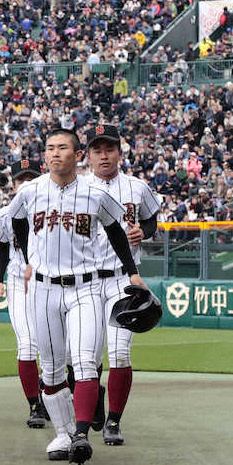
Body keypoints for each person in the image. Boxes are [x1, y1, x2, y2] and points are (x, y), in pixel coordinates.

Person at [7, 128, 145, 465]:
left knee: (84, 362)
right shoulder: (30, 191)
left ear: (77, 154)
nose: (56, 154)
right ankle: (64, 432)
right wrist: (27, 260)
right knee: (52, 370)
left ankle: (82, 434)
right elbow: (17, 221)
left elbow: (115, 230)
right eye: (50, 148)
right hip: (42, 288)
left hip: (86, 287)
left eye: (63, 148)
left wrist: (132, 271)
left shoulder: (95, 192)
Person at [83, 125, 161, 447]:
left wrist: (144, 231)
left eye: (109, 148)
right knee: (85, 357)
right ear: (87, 155)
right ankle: (94, 397)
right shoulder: (76, 188)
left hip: (122, 278)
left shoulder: (136, 187)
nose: (104, 155)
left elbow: (151, 219)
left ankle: (114, 421)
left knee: (118, 351)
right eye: (98, 149)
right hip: (83, 279)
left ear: (119, 151)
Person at [0, 159, 49, 430]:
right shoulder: (5, 213)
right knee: (27, 343)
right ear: (12, 184)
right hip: (16, 280)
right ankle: (35, 405)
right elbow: (1, 246)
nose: (25, 184)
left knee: (51, 346)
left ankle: (51, 396)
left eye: (30, 178)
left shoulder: (52, 209)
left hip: (49, 280)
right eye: (20, 179)